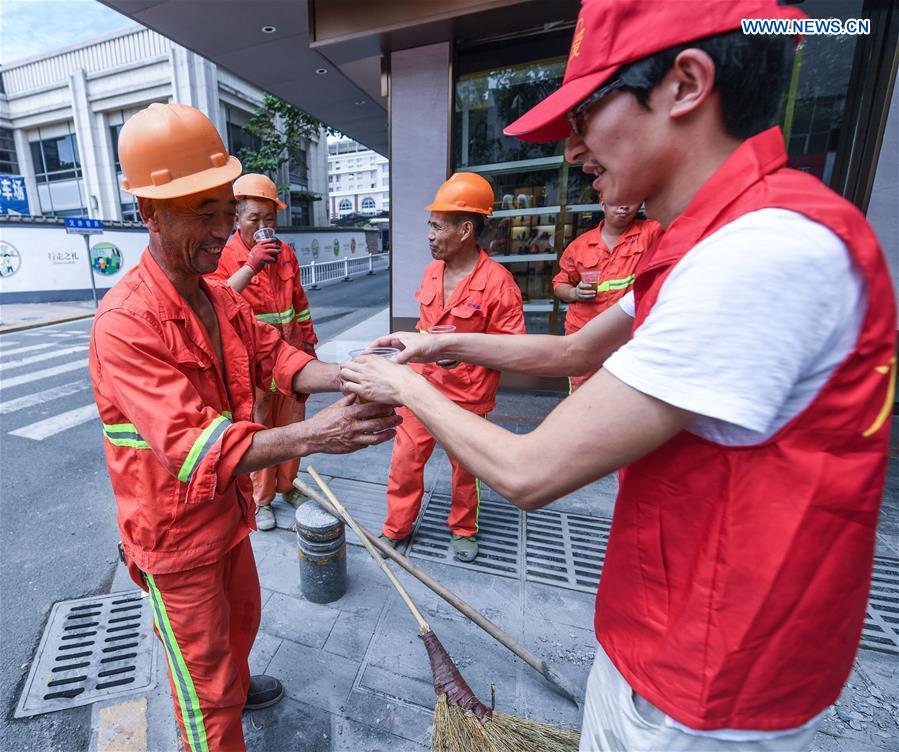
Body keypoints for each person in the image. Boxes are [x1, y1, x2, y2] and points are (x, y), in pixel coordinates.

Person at [339, 2, 896, 750]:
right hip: (668, 629)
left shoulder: (761, 253)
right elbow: (570, 355)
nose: (572, 150)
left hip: (709, 677)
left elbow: (530, 470)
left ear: (684, 85)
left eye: (587, 113)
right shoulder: (703, 241)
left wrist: (401, 385)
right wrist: (434, 345)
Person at [89, 103, 399, 752]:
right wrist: (320, 435)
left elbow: (275, 357)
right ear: (149, 213)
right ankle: (220, 709)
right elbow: (202, 447)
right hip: (176, 537)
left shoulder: (218, 294)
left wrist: (350, 376)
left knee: (242, 625)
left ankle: (236, 676)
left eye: (224, 209)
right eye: (204, 212)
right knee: (204, 697)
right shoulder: (128, 322)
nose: (224, 227)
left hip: (226, 517)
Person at [379, 172, 525, 563]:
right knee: (405, 462)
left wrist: (460, 353)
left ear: (465, 230)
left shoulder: (499, 285)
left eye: (436, 226)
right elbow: (427, 329)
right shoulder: (432, 272)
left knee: (466, 471)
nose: (428, 234)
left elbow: (514, 350)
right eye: (429, 225)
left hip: (468, 397)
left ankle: (463, 529)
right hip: (421, 389)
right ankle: (396, 527)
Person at [207, 173, 317, 531]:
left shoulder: (285, 253)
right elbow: (218, 302)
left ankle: (288, 486)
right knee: (259, 430)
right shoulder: (223, 256)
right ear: (236, 218)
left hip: (291, 356)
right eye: (254, 219)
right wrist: (251, 264)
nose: (263, 226)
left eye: (269, 219)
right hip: (253, 364)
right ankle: (261, 499)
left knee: (292, 425)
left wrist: (309, 343)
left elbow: (299, 303)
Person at [553, 196, 661, 392]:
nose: (624, 206)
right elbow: (560, 283)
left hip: (628, 335)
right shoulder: (580, 246)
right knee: (582, 394)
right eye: (616, 201)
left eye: (631, 199)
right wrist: (574, 292)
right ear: (602, 204)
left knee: (625, 393)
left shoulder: (650, 232)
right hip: (585, 334)